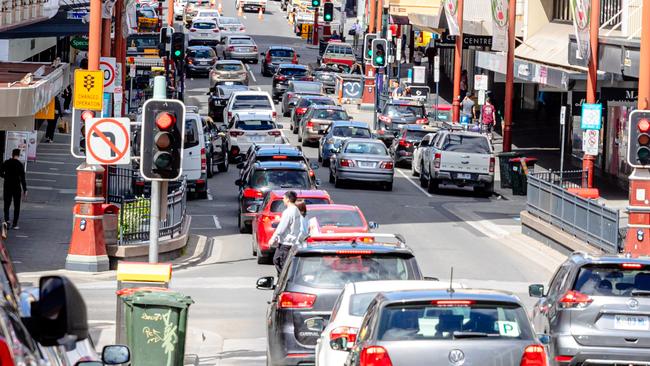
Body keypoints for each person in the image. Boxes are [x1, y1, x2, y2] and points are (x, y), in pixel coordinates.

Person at [269, 191, 302, 274]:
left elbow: (281, 227)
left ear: (287, 199)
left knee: (280, 262)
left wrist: (273, 238)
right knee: (279, 261)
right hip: (292, 242)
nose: (283, 200)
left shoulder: (288, 212)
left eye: (283, 198)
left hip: (286, 242)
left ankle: (283, 281)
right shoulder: (296, 210)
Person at [0, 149, 27, 230]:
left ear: (12, 154)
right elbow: (22, 178)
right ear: (18, 155)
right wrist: (25, 189)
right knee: (17, 205)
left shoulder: (6, 162)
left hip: (7, 185)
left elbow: (0, 172)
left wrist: (5, 177)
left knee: (7, 204)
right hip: (16, 186)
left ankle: (7, 220)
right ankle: (15, 224)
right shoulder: (20, 164)